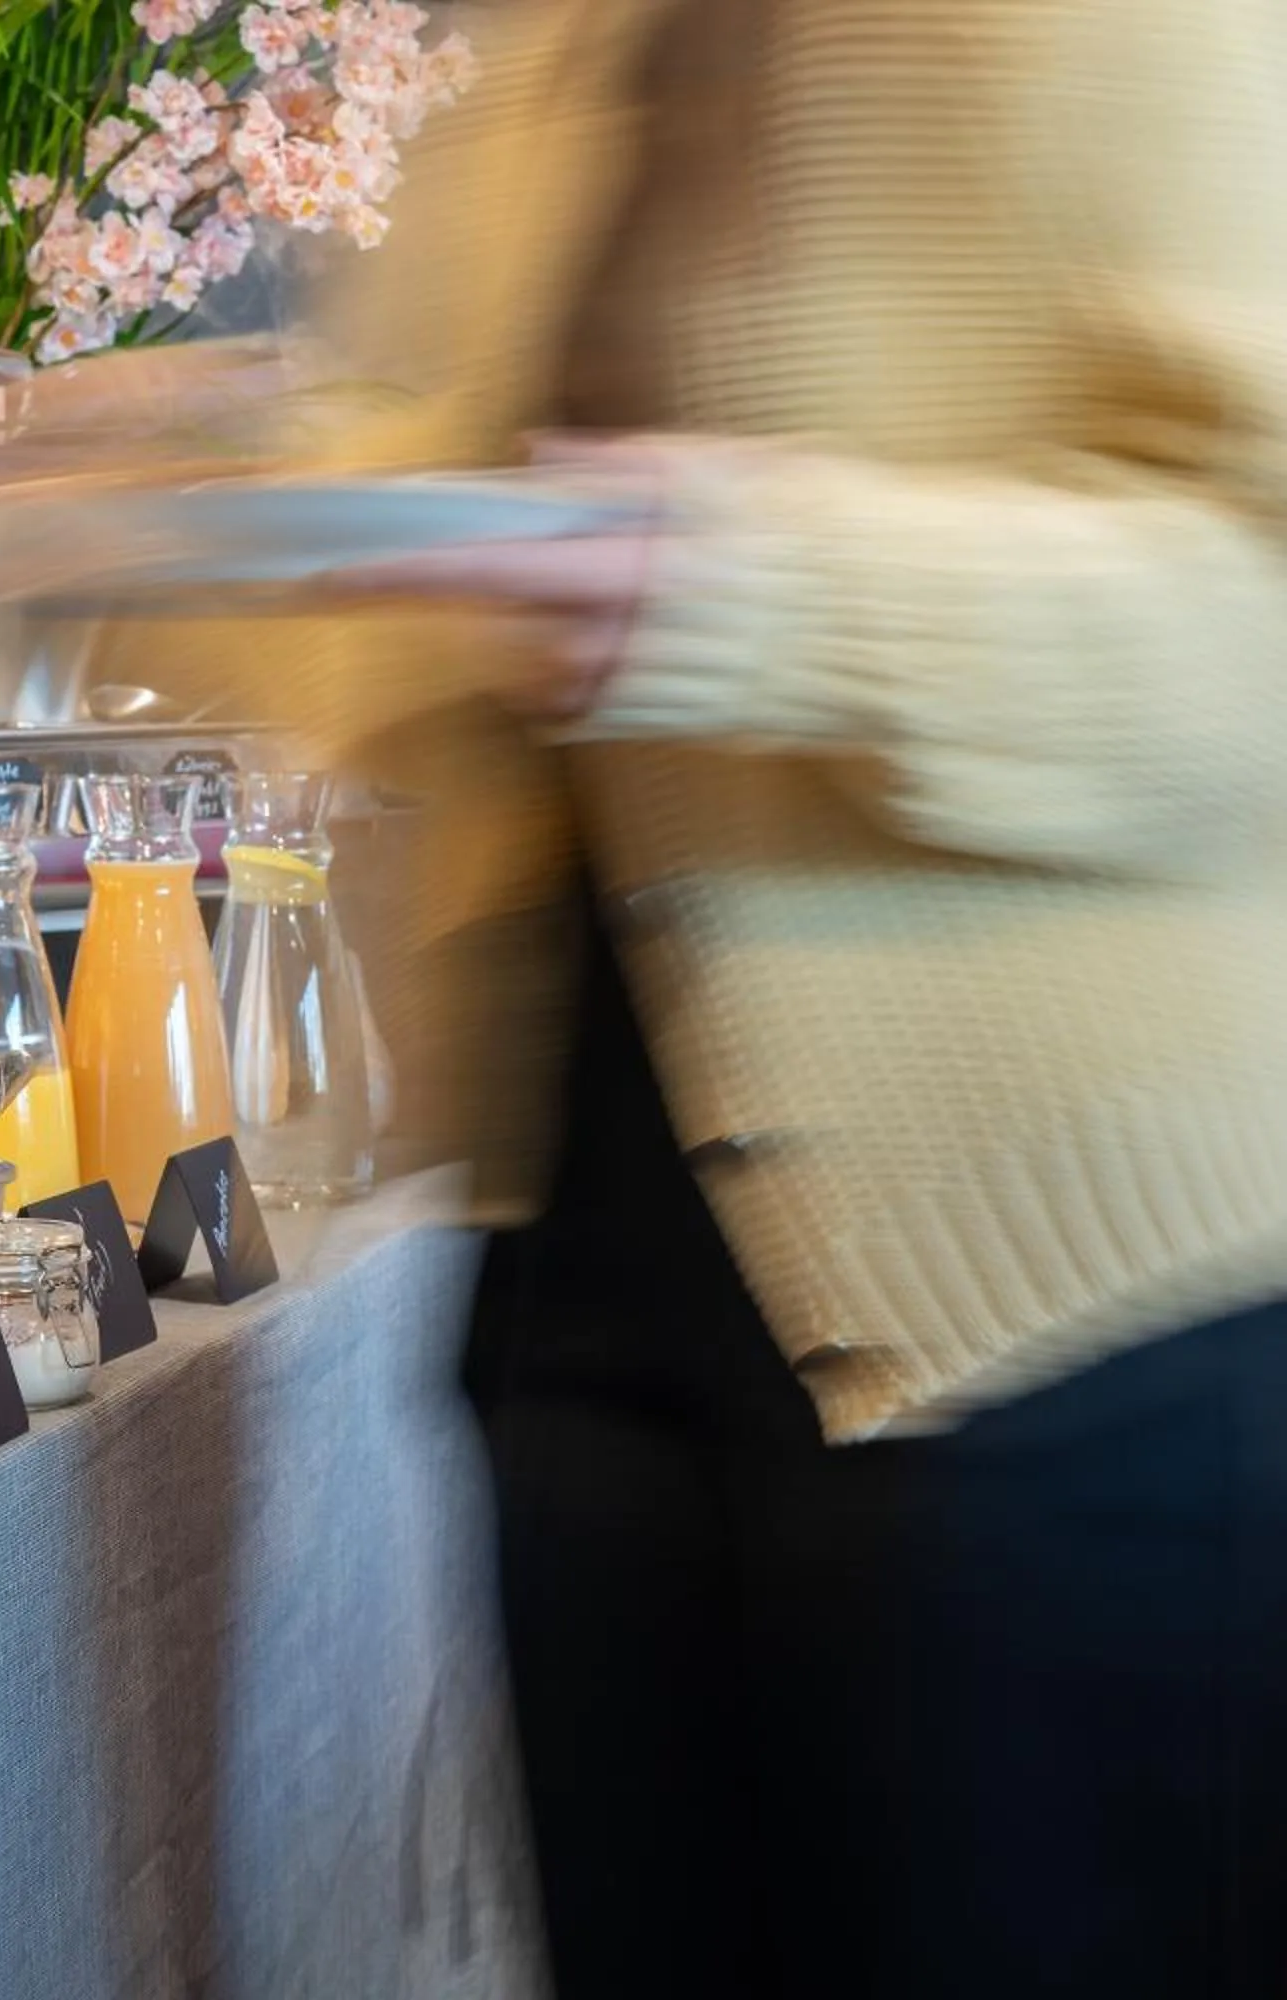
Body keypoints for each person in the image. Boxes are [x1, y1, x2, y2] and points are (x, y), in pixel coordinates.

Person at [213, 0, 1287, 1992]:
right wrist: (180, 531)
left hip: (1056, 1312)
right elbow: (451, 569)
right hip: (581, 1253)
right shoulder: (545, 53)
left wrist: (727, 589)